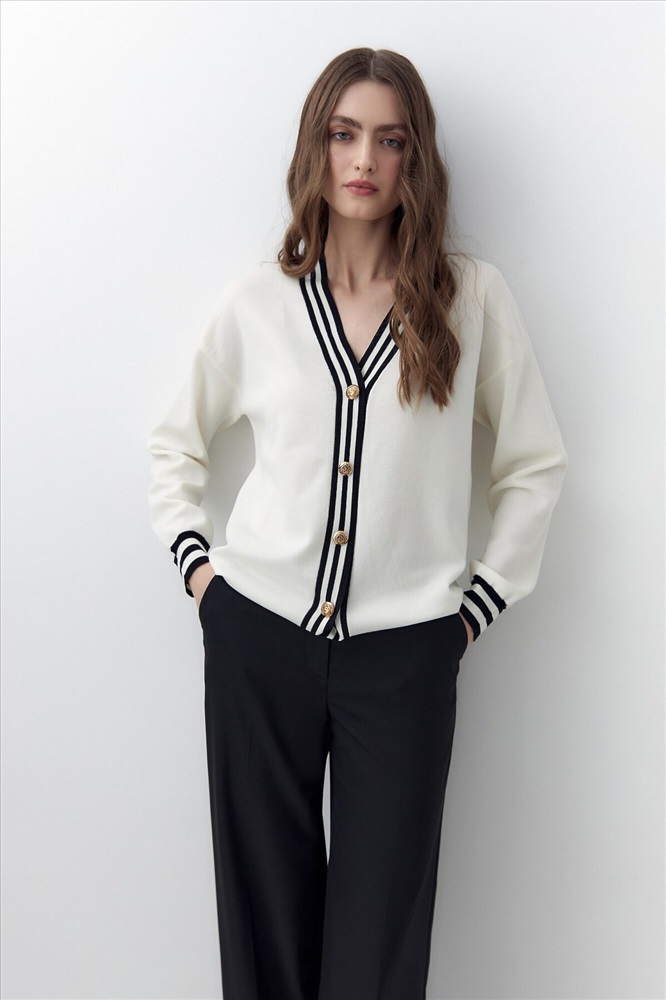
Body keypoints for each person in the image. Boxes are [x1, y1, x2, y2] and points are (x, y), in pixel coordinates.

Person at [147, 47, 568, 1000]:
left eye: (389, 139)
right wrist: (204, 579)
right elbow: (174, 446)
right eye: (344, 135)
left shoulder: (469, 299)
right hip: (258, 637)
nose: (364, 159)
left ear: (416, 156)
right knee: (264, 929)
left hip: (407, 657)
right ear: (317, 148)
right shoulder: (260, 304)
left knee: (379, 952)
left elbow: (535, 463)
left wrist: (472, 612)